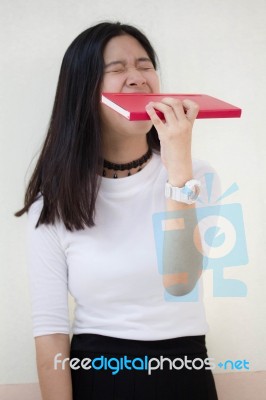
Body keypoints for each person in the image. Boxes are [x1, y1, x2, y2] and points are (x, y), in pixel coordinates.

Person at [16, 21, 219, 399]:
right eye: (117, 69)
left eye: (145, 66)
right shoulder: (53, 203)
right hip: (98, 374)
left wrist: (178, 165)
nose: (137, 78)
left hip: (185, 369)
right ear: (84, 92)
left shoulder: (197, 175)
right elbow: (51, 333)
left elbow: (181, 281)